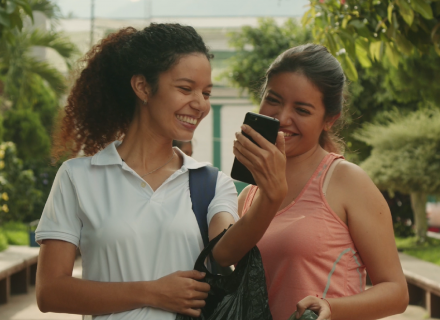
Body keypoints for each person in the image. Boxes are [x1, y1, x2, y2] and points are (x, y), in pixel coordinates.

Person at [35, 23, 287, 320]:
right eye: (185, 88)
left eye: (206, 93)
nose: (200, 104)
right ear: (142, 87)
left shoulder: (210, 182)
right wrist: (152, 292)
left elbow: (224, 252)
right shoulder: (77, 177)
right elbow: (50, 292)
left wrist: (272, 196)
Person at [237, 44, 409, 320]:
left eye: (302, 110)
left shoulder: (346, 181)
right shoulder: (247, 195)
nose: (282, 118)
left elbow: (396, 293)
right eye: (274, 100)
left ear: (329, 120)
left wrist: (331, 307)